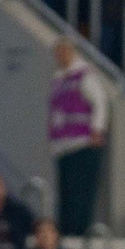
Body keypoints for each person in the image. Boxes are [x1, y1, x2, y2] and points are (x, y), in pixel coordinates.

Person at [46, 39, 110, 236]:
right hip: (62, 145)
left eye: (64, 52)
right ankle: (66, 229)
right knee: (65, 192)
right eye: (58, 53)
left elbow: (100, 102)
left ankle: (79, 230)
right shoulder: (58, 78)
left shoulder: (84, 75)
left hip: (82, 142)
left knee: (80, 192)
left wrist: (97, 130)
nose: (61, 57)